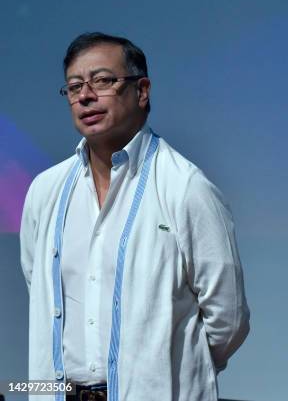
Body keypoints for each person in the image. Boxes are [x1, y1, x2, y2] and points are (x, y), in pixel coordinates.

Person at [20, 32, 249, 401]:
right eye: (74, 86)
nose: (85, 95)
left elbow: (229, 319)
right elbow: (38, 287)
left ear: (142, 91)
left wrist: (168, 366)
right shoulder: (45, 191)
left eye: (103, 81)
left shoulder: (185, 188)